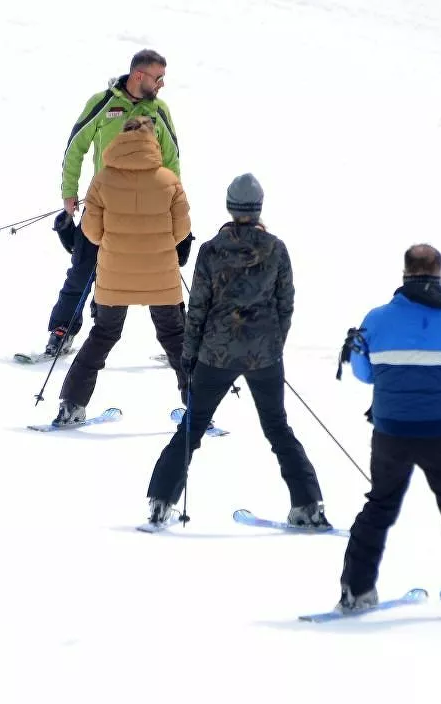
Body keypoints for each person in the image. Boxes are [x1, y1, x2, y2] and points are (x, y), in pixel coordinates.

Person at [142, 173, 331, 530]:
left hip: (216, 352)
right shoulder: (276, 248)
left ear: (230, 207)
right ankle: (308, 504)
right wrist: (274, 343)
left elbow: (197, 307)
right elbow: (285, 303)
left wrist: (189, 354)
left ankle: (160, 502)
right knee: (278, 428)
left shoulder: (211, 251)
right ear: (259, 207)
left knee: (192, 427)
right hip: (264, 355)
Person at [333, 244, 441, 615]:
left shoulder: (376, 319)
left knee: (379, 506)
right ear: (439, 275)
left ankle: (355, 590)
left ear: (405, 274)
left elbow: (363, 374)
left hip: (391, 432)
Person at [40, 48, 193, 359]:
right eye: (158, 77)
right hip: (105, 206)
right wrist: (69, 192)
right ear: (139, 75)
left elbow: (173, 161)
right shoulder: (103, 103)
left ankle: (183, 342)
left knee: (162, 275)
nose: (162, 83)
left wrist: (173, 203)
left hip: (151, 212)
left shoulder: (159, 110)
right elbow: (75, 147)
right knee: (83, 269)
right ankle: (61, 331)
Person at [51, 116, 192, 425]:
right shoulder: (169, 180)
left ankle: (71, 405)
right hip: (161, 277)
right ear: (153, 142)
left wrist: (116, 246)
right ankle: (199, 406)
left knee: (102, 336)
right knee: (175, 337)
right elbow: (182, 230)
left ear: (119, 140)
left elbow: (91, 231)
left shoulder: (102, 180)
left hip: (114, 276)